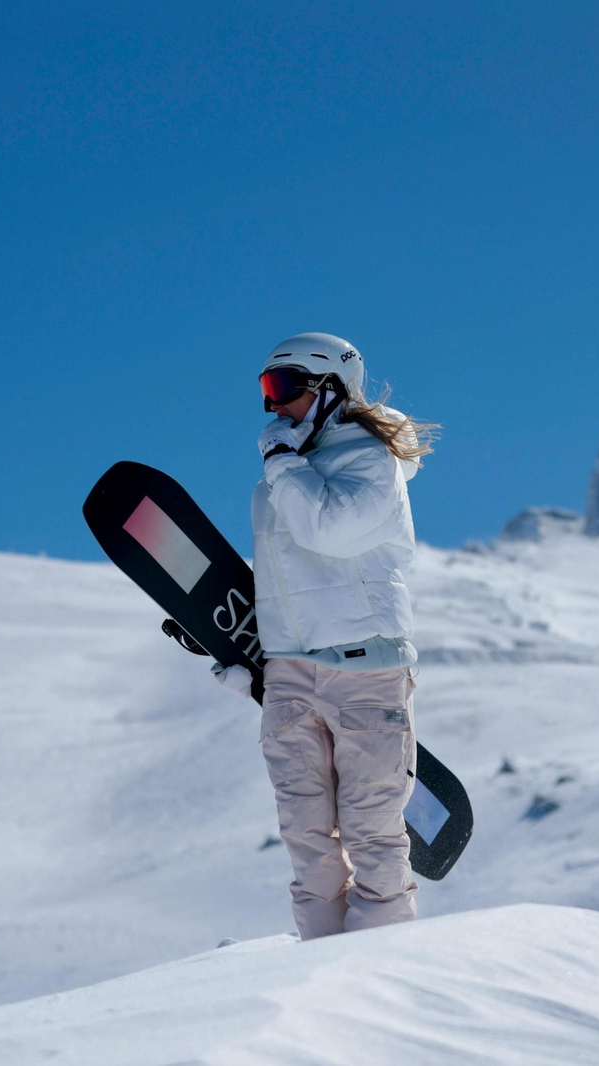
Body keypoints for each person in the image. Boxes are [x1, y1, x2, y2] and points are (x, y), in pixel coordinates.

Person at [210, 332, 438, 940]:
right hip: (290, 676)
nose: (272, 407)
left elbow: (329, 533)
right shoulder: (279, 480)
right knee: (307, 845)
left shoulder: (371, 461)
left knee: (370, 833)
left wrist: (283, 464)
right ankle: (321, 983)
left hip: (364, 670)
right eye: (264, 390)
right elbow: (286, 580)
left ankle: (378, 976)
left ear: (331, 387)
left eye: (281, 388)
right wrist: (251, 659)